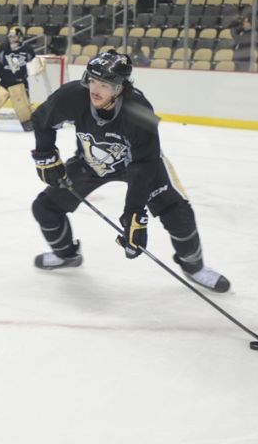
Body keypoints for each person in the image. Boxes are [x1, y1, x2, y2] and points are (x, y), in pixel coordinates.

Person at [28, 50, 231, 293]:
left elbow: (144, 165)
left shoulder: (139, 111)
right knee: (45, 208)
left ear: (119, 87)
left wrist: (133, 213)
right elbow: (41, 119)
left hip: (141, 164)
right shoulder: (73, 95)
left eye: (104, 84)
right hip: (93, 163)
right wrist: (46, 156)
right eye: (92, 80)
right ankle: (67, 255)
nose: (95, 89)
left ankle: (194, 267)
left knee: (178, 214)